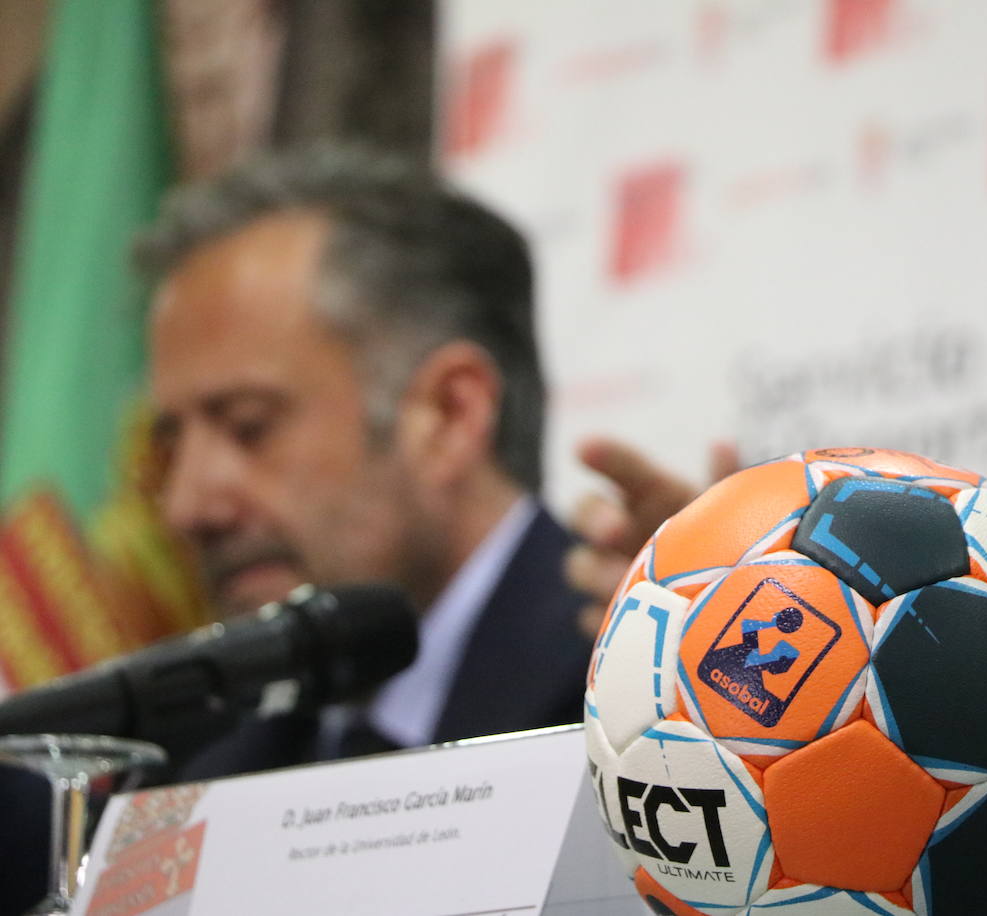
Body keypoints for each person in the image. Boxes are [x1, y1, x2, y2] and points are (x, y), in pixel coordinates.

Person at [0, 145, 592, 914]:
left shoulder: (654, 708)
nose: (185, 506)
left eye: (249, 427)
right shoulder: (210, 752)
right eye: (170, 443)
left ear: (449, 415)